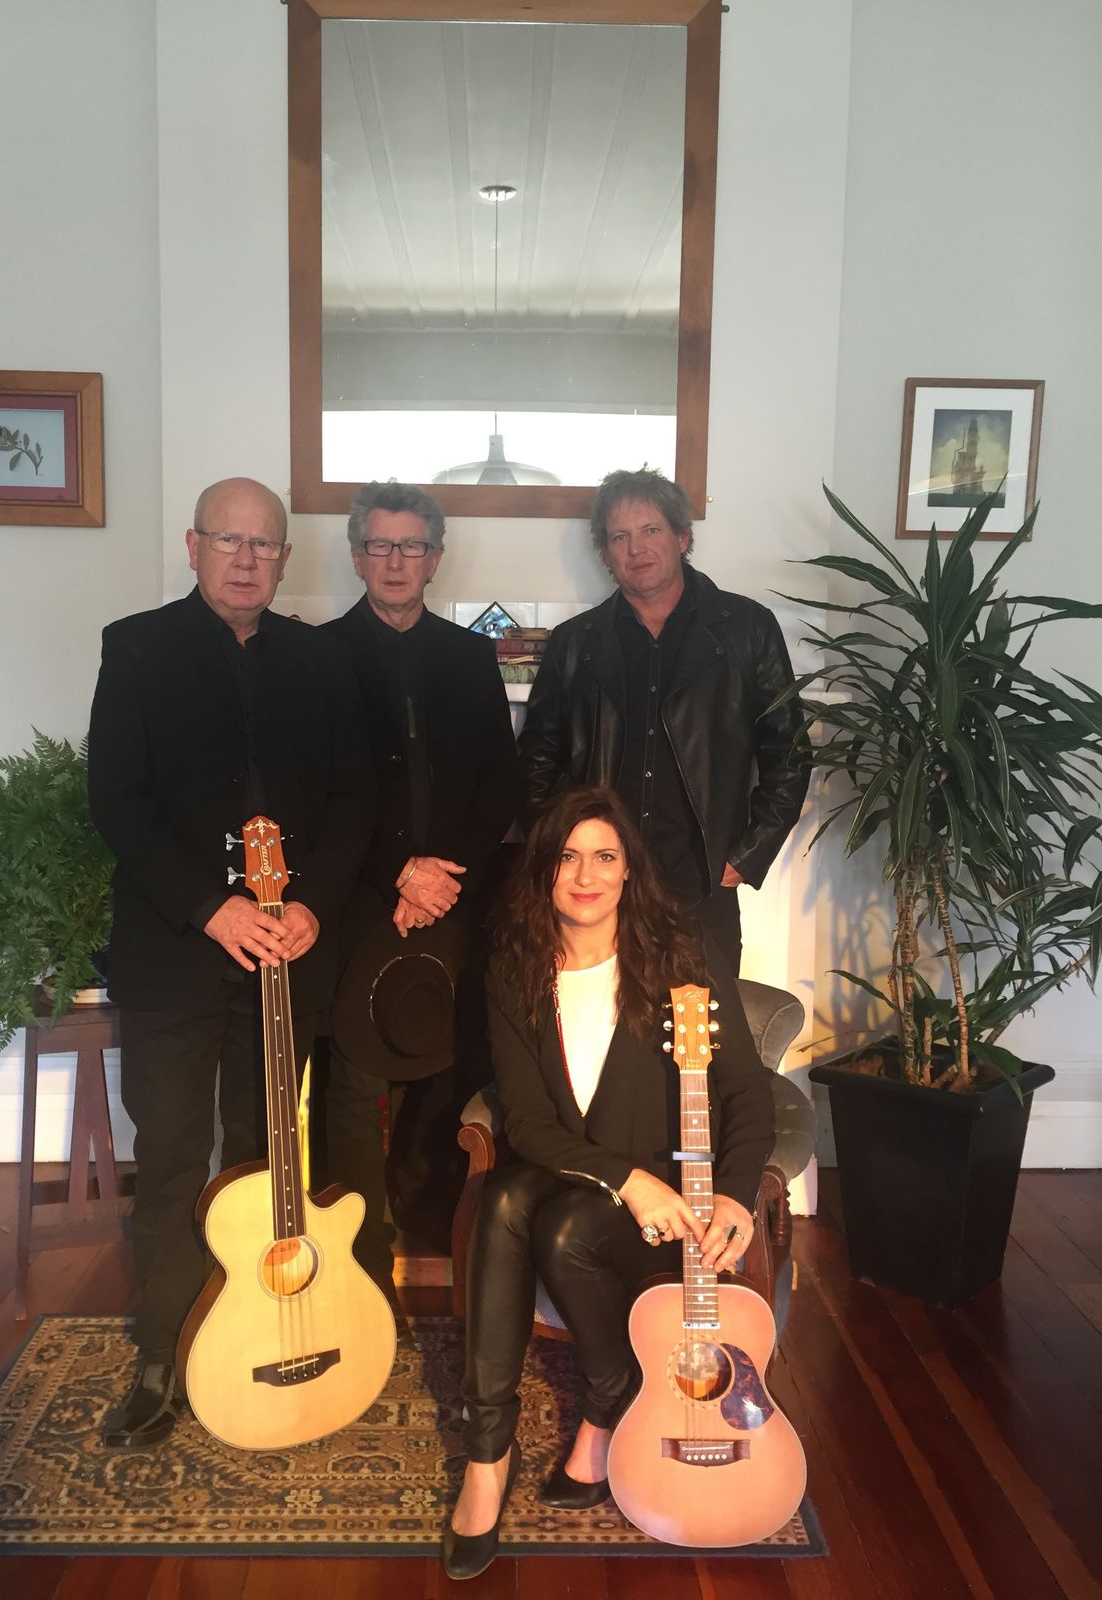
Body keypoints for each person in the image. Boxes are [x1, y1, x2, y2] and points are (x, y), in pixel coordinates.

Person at [87, 476, 373, 1449]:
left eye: (264, 545)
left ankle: (255, 1322)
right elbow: (118, 801)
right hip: (174, 952)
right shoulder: (136, 647)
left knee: (266, 1155)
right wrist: (212, 909)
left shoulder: (322, 660)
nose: (247, 559)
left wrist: (312, 904)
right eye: (228, 541)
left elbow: (354, 800)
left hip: (285, 957)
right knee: (173, 1154)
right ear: (194, 545)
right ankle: (161, 1353)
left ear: (284, 558)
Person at [443, 785, 775, 1580]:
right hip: (583, 1175)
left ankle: (606, 1401)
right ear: (543, 871)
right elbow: (528, 1122)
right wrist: (624, 1179)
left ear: (629, 870)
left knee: (555, 1225)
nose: (585, 875)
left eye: (604, 856)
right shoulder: (514, 969)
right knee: (505, 1196)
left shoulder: (680, 955)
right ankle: (488, 1454)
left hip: (668, 1197)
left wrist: (733, 1192)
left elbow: (745, 1092)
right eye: (566, 857)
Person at [320, 480, 520, 1291]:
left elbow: (500, 785)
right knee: (355, 1071)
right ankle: (356, 1250)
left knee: (443, 1059)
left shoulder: (470, 656)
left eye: (411, 546)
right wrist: (399, 871)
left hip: (454, 895)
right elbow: (319, 791)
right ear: (356, 555)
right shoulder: (318, 656)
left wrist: (439, 877)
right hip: (358, 894)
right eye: (380, 545)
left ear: (435, 559)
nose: (395, 561)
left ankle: (432, 1223)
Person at [518, 468, 810, 975]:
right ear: (605, 554)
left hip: (702, 882)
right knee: (598, 1015)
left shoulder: (747, 629)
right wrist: (560, 856)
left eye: (651, 529)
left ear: (682, 537)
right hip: (599, 885)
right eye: (620, 537)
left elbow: (788, 750)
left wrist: (746, 855)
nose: (637, 548)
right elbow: (536, 758)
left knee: (704, 1019)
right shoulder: (575, 642)